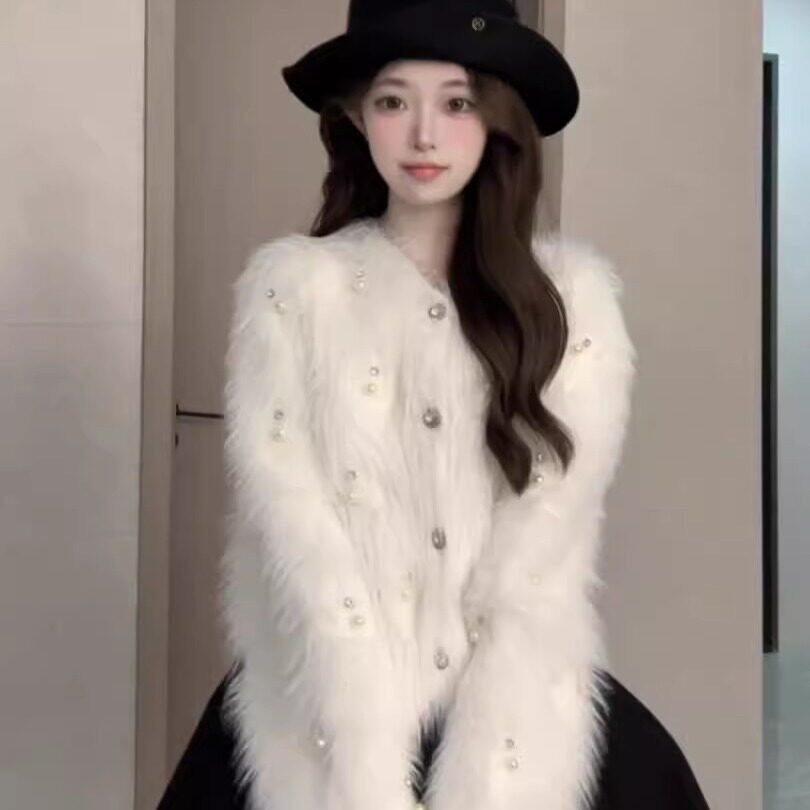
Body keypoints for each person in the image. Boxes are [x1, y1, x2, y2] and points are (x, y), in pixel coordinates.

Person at [159, 1, 712, 808]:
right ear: (358, 116)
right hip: (327, 696)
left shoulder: (570, 300)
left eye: (457, 102)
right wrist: (363, 735)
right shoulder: (292, 291)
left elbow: (548, 532)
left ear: (496, 120)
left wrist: (484, 727)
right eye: (394, 101)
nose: (424, 135)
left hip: (514, 691)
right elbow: (294, 522)